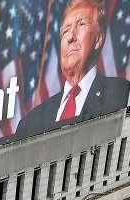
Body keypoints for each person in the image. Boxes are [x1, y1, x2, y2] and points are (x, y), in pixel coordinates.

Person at [16, 0, 130, 138]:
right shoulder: (30, 124)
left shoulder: (121, 94)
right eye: (66, 31)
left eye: (81, 24)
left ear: (99, 39)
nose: (70, 37)